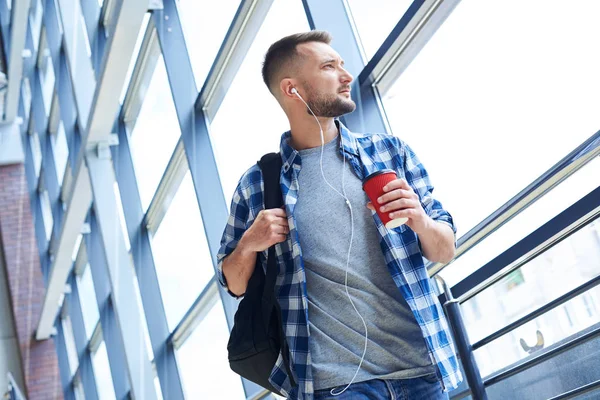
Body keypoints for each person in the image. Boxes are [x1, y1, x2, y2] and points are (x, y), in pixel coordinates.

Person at [217, 31, 463, 400]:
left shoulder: (388, 154)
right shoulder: (258, 184)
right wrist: (250, 244)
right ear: (292, 89)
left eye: (342, 65)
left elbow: (444, 250)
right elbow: (234, 284)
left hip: (422, 373)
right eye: (330, 67)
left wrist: (420, 220)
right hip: (335, 386)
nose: (346, 76)